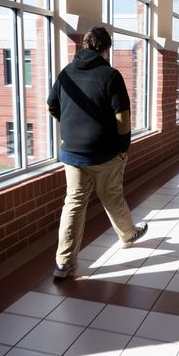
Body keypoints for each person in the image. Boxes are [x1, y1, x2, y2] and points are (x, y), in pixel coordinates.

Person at [47, 27, 148, 279]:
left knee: (73, 204)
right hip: (104, 153)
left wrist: (71, 126)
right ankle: (128, 234)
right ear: (106, 49)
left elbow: (52, 106)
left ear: (84, 45)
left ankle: (64, 264)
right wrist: (123, 146)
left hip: (72, 154)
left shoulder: (66, 73)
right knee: (111, 196)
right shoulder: (110, 75)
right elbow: (122, 116)